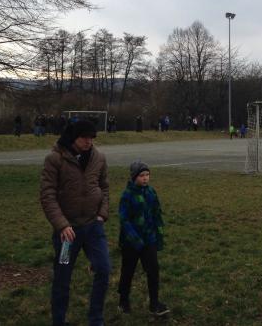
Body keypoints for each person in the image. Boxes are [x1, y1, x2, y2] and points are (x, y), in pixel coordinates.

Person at [40, 120, 111, 326]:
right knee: (62, 278)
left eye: (92, 138)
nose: (89, 141)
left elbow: (104, 187)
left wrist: (102, 215)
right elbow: (48, 195)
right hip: (67, 234)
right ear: (73, 137)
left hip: (93, 228)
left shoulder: (99, 158)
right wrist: (62, 225)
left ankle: (96, 319)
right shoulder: (55, 159)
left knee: (104, 269)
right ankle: (59, 321)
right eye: (85, 137)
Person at [117, 161, 169, 316]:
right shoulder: (127, 195)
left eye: (147, 175)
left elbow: (156, 213)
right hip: (131, 242)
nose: (145, 178)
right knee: (128, 271)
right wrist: (135, 240)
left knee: (153, 270)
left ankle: (154, 303)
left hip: (149, 240)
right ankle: (123, 301)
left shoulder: (151, 192)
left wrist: (158, 234)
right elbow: (124, 219)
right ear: (134, 177)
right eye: (141, 175)